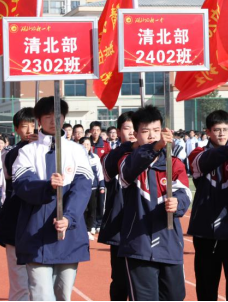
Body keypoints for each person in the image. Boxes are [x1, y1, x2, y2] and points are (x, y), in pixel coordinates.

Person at [12, 97, 93, 302]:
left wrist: (69, 217)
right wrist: (47, 187)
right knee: (41, 295)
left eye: (57, 116)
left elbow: (82, 188)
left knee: (63, 295)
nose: (53, 121)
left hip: (68, 235)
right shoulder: (27, 151)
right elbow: (22, 184)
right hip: (35, 235)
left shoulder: (76, 150)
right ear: (39, 120)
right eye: (47, 116)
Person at [119, 106, 191, 301]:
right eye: (145, 131)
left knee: (175, 296)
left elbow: (185, 192)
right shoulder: (127, 160)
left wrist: (178, 203)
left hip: (170, 243)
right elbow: (128, 171)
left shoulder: (173, 163)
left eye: (156, 130)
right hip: (139, 246)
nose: (152, 135)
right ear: (135, 134)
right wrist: (155, 148)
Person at [188, 110, 228, 302]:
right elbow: (203, 163)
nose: (222, 133)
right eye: (216, 130)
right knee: (206, 282)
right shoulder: (197, 153)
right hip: (205, 229)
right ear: (207, 132)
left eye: (225, 129)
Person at [0, 108, 38, 302]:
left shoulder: (50, 149)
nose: (29, 130)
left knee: (40, 278)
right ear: (16, 129)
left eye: (33, 125)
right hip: (16, 219)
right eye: (24, 126)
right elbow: (12, 172)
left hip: (40, 220)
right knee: (19, 276)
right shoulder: (11, 153)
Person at [99, 112, 136, 302]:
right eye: (127, 128)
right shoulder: (110, 157)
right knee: (120, 281)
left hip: (142, 227)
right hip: (119, 227)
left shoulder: (150, 155)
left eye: (136, 128)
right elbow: (108, 167)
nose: (132, 132)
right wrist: (131, 147)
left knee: (141, 283)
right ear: (118, 131)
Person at [78, 137, 105, 240]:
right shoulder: (76, 157)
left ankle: (90, 228)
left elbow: (99, 172)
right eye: (84, 144)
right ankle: (83, 229)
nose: (86, 146)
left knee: (92, 209)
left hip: (93, 188)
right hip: (81, 188)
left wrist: (101, 185)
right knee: (83, 209)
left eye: (88, 144)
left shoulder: (95, 157)